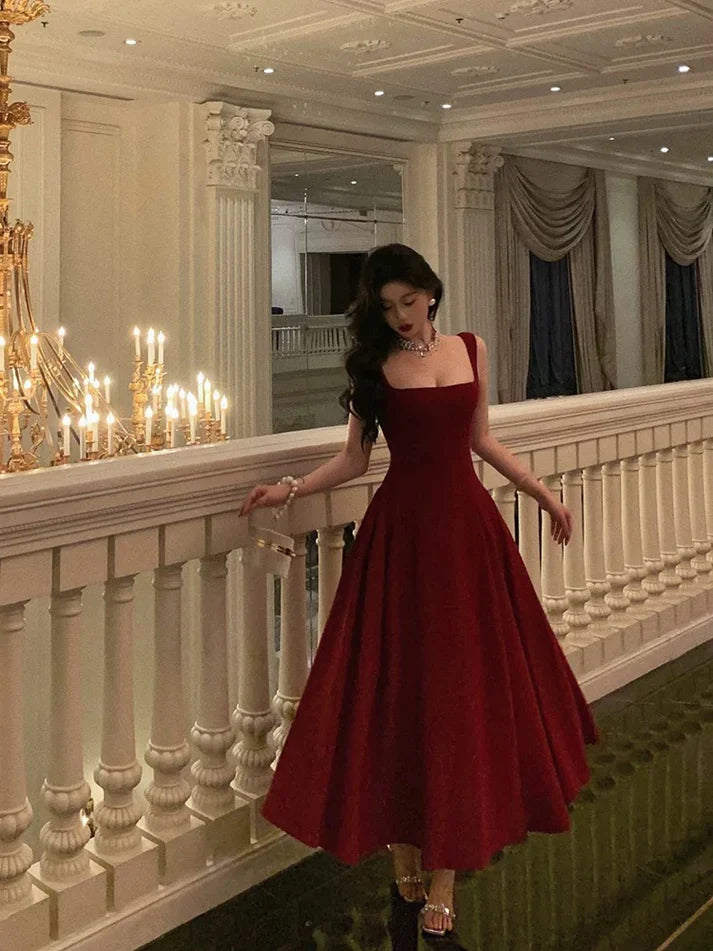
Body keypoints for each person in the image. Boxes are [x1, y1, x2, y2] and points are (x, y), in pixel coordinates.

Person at [239, 243, 600, 937]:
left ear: (429, 292)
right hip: (401, 538)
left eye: (409, 300)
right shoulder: (375, 364)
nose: (401, 316)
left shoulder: (471, 347)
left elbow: (482, 441)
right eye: (387, 307)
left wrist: (544, 495)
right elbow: (354, 459)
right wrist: (289, 488)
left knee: (461, 695)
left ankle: (444, 878)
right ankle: (404, 856)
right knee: (401, 696)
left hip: (466, 536)